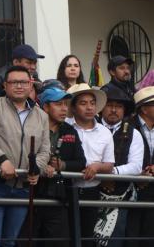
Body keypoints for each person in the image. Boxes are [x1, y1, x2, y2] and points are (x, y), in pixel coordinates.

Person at [0, 66, 49, 247]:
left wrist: (36, 167)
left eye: (23, 82)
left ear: (31, 85)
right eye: (14, 82)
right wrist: (2, 160)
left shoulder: (41, 115)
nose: (19, 86)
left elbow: (45, 149)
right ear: (5, 86)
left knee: (10, 241)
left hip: (23, 186)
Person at [32, 85, 87, 247]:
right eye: (58, 104)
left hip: (59, 196)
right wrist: (43, 166)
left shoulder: (70, 130)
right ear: (45, 107)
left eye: (66, 104)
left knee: (58, 242)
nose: (64, 109)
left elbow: (81, 162)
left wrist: (62, 165)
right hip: (32, 193)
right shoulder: (31, 127)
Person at [65, 83, 115, 247]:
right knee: (64, 235)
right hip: (64, 188)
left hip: (91, 191)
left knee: (87, 237)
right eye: (83, 103)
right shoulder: (65, 127)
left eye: (92, 103)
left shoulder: (104, 132)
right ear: (73, 107)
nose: (89, 107)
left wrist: (97, 167)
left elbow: (109, 164)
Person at [96, 85, 142, 247]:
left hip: (118, 196)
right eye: (110, 105)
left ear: (124, 110)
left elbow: (136, 167)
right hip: (89, 192)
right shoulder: (90, 125)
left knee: (115, 240)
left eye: (119, 106)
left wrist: (111, 172)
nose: (114, 110)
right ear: (102, 107)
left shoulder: (133, 133)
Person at [126, 86, 154, 247]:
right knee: (132, 235)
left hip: (152, 190)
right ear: (143, 108)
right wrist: (139, 174)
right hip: (132, 189)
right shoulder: (127, 126)